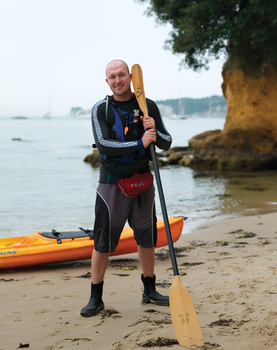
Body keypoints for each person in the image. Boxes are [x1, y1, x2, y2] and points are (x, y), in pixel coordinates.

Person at [81, 59, 172, 317]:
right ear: (107, 81)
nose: (117, 80)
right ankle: (95, 298)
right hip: (112, 184)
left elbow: (166, 142)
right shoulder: (101, 108)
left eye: (122, 75)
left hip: (143, 182)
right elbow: (105, 144)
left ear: (131, 77)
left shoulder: (147, 105)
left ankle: (150, 291)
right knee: (102, 241)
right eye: (112, 77)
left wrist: (154, 130)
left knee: (146, 238)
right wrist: (142, 143)